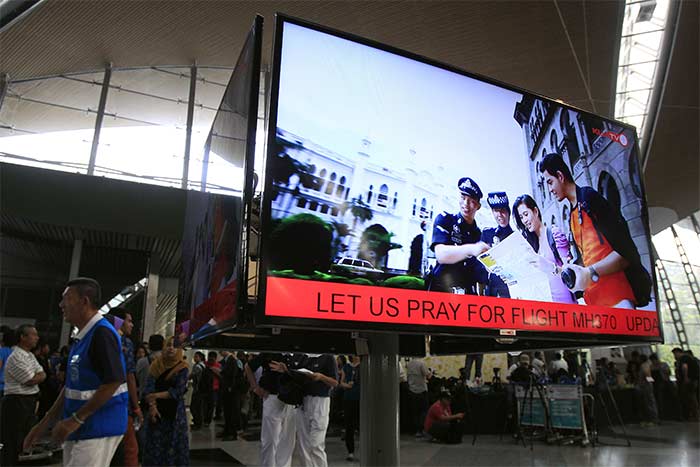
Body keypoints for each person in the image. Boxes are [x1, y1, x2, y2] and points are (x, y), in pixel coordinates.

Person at [24, 277, 128, 467]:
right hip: (79, 425)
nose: (61, 304)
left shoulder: (102, 334)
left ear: (84, 301)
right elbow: (72, 386)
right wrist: (46, 422)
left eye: (67, 298)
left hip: (98, 425)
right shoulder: (83, 336)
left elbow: (113, 381)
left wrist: (75, 420)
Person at [539, 153, 652, 308]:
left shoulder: (589, 198)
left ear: (560, 176)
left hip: (618, 297)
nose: (550, 189)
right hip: (595, 302)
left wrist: (589, 272)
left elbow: (625, 253)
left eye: (550, 182)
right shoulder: (571, 215)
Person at [427, 177, 489, 294]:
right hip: (442, 292)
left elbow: (480, 273)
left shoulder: (479, 235)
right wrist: (472, 249)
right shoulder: (445, 220)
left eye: (471, 201)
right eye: (463, 198)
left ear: (478, 206)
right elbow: (441, 254)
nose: (466, 204)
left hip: (467, 294)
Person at [512, 194, 576, 303]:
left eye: (526, 214)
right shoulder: (532, 245)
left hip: (566, 303)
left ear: (535, 211)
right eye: (521, 217)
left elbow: (571, 274)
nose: (524, 221)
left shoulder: (554, 234)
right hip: (546, 305)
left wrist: (552, 267)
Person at [1, 324, 46, 466]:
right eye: (33, 334)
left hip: (27, 401)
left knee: (24, 438)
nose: (37, 337)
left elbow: (42, 373)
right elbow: (30, 380)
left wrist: (39, 375)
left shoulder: (29, 355)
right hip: (16, 401)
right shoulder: (16, 356)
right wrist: (38, 376)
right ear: (22, 337)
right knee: (12, 439)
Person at [283, 354, 338, 467]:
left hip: (320, 401)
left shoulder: (327, 357)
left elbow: (335, 382)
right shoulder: (303, 357)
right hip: (303, 401)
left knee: (315, 444)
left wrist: (321, 377)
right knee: (303, 445)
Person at [142, 336, 189, 466]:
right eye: (168, 345)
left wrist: (156, 396)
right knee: (156, 446)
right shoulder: (156, 365)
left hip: (175, 416)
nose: (171, 348)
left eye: (174, 346)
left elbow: (178, 391)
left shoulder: (182, 367)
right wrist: (152, 407)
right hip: (157, 414)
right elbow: (148, 388)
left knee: (172, 446)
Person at [245, 353, 296, 467]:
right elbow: (248, 367)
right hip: (273, 397)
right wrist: (255, 387)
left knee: (288, 439)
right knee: (270, 439)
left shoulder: (296, 354)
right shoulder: (270, 351)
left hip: (291, 399)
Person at [108, 308, 142, 467]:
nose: (132, 325)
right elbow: (130, 377)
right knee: (129, 450)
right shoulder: (125, 343)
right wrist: (136, 407)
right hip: (121, 405)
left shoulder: (100, 338)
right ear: (119, 322)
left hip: (98, 404)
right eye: (129, 320)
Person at [480, 191, 514, 297]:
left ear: (508, 211)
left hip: (513, 290)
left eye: (503, 210)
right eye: (496, 211)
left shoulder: (516, 237)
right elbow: (481, 264)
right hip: (493, 290)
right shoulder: (487, 234)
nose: (500, 215)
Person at [339, 355, 360, 461]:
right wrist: (345, 385)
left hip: (361, 399)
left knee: (362, 425)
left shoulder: (364, 366)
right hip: (349, 399)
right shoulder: (346, 367)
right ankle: (350, 451)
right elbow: (341, 382)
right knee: (349, 426)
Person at [218, 350, 241, 441]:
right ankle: (227, 430)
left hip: (231, 390)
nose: (220, 351)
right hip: (227, 389)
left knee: (232, 412)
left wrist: (230, 386)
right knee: (227, 412)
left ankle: (232, 433)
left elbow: (233, 374)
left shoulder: (232, 360)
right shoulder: (227, 360)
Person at [406, 357, 432, 437]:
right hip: (422, 390)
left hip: (412, 390)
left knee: (414, 412)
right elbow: (428, 376)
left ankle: (415, 430)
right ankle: (422, 430)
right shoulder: (421, 363)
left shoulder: (409, 364)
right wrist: (431, 372)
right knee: (423, 411)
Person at [672, 348, 699, 421]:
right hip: (694, 380)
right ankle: (695, 415)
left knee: (690, 398)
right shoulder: (691, 358)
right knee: (693, 397)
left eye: (674, 354)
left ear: (678, 352)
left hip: (689, 381)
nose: (674, 356)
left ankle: (695, 416)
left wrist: (685, 377)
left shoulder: (684, 358)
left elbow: (684, 367)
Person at [136, 335, 164, 399]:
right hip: (161, 398)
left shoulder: (141, 362)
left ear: (149, 346)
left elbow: (137, 377)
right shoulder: (166, 362)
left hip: (144, 398)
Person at [636, 354, 659, 426]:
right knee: (648, 403)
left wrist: (650, 382)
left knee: (649, 403)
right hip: (646, 386)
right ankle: (650, 419)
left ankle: (654, 420)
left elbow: (647, 374)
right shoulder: (648, 364)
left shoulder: (644, 365)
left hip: (646, 387)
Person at [189, 351, 206, 430]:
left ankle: (197, 423)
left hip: (197, 389)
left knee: (194, 407)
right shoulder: (204, 365)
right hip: (202, 389)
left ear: (200, 357)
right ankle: (199, 423)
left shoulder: (197, 367)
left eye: (196, 357)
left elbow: (191, 376)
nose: (194, 358)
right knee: (199, 407)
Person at [204, 351, 221, 426]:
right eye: (209, 358)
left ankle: (207, 420)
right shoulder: (204, 364)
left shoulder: (218, 366)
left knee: (210, 405)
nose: (210, 361)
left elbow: (221, 377)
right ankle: (204, 419)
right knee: (204, 405)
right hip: (205, 388)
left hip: (214, 388)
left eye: (212, 359)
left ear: (215, 358)